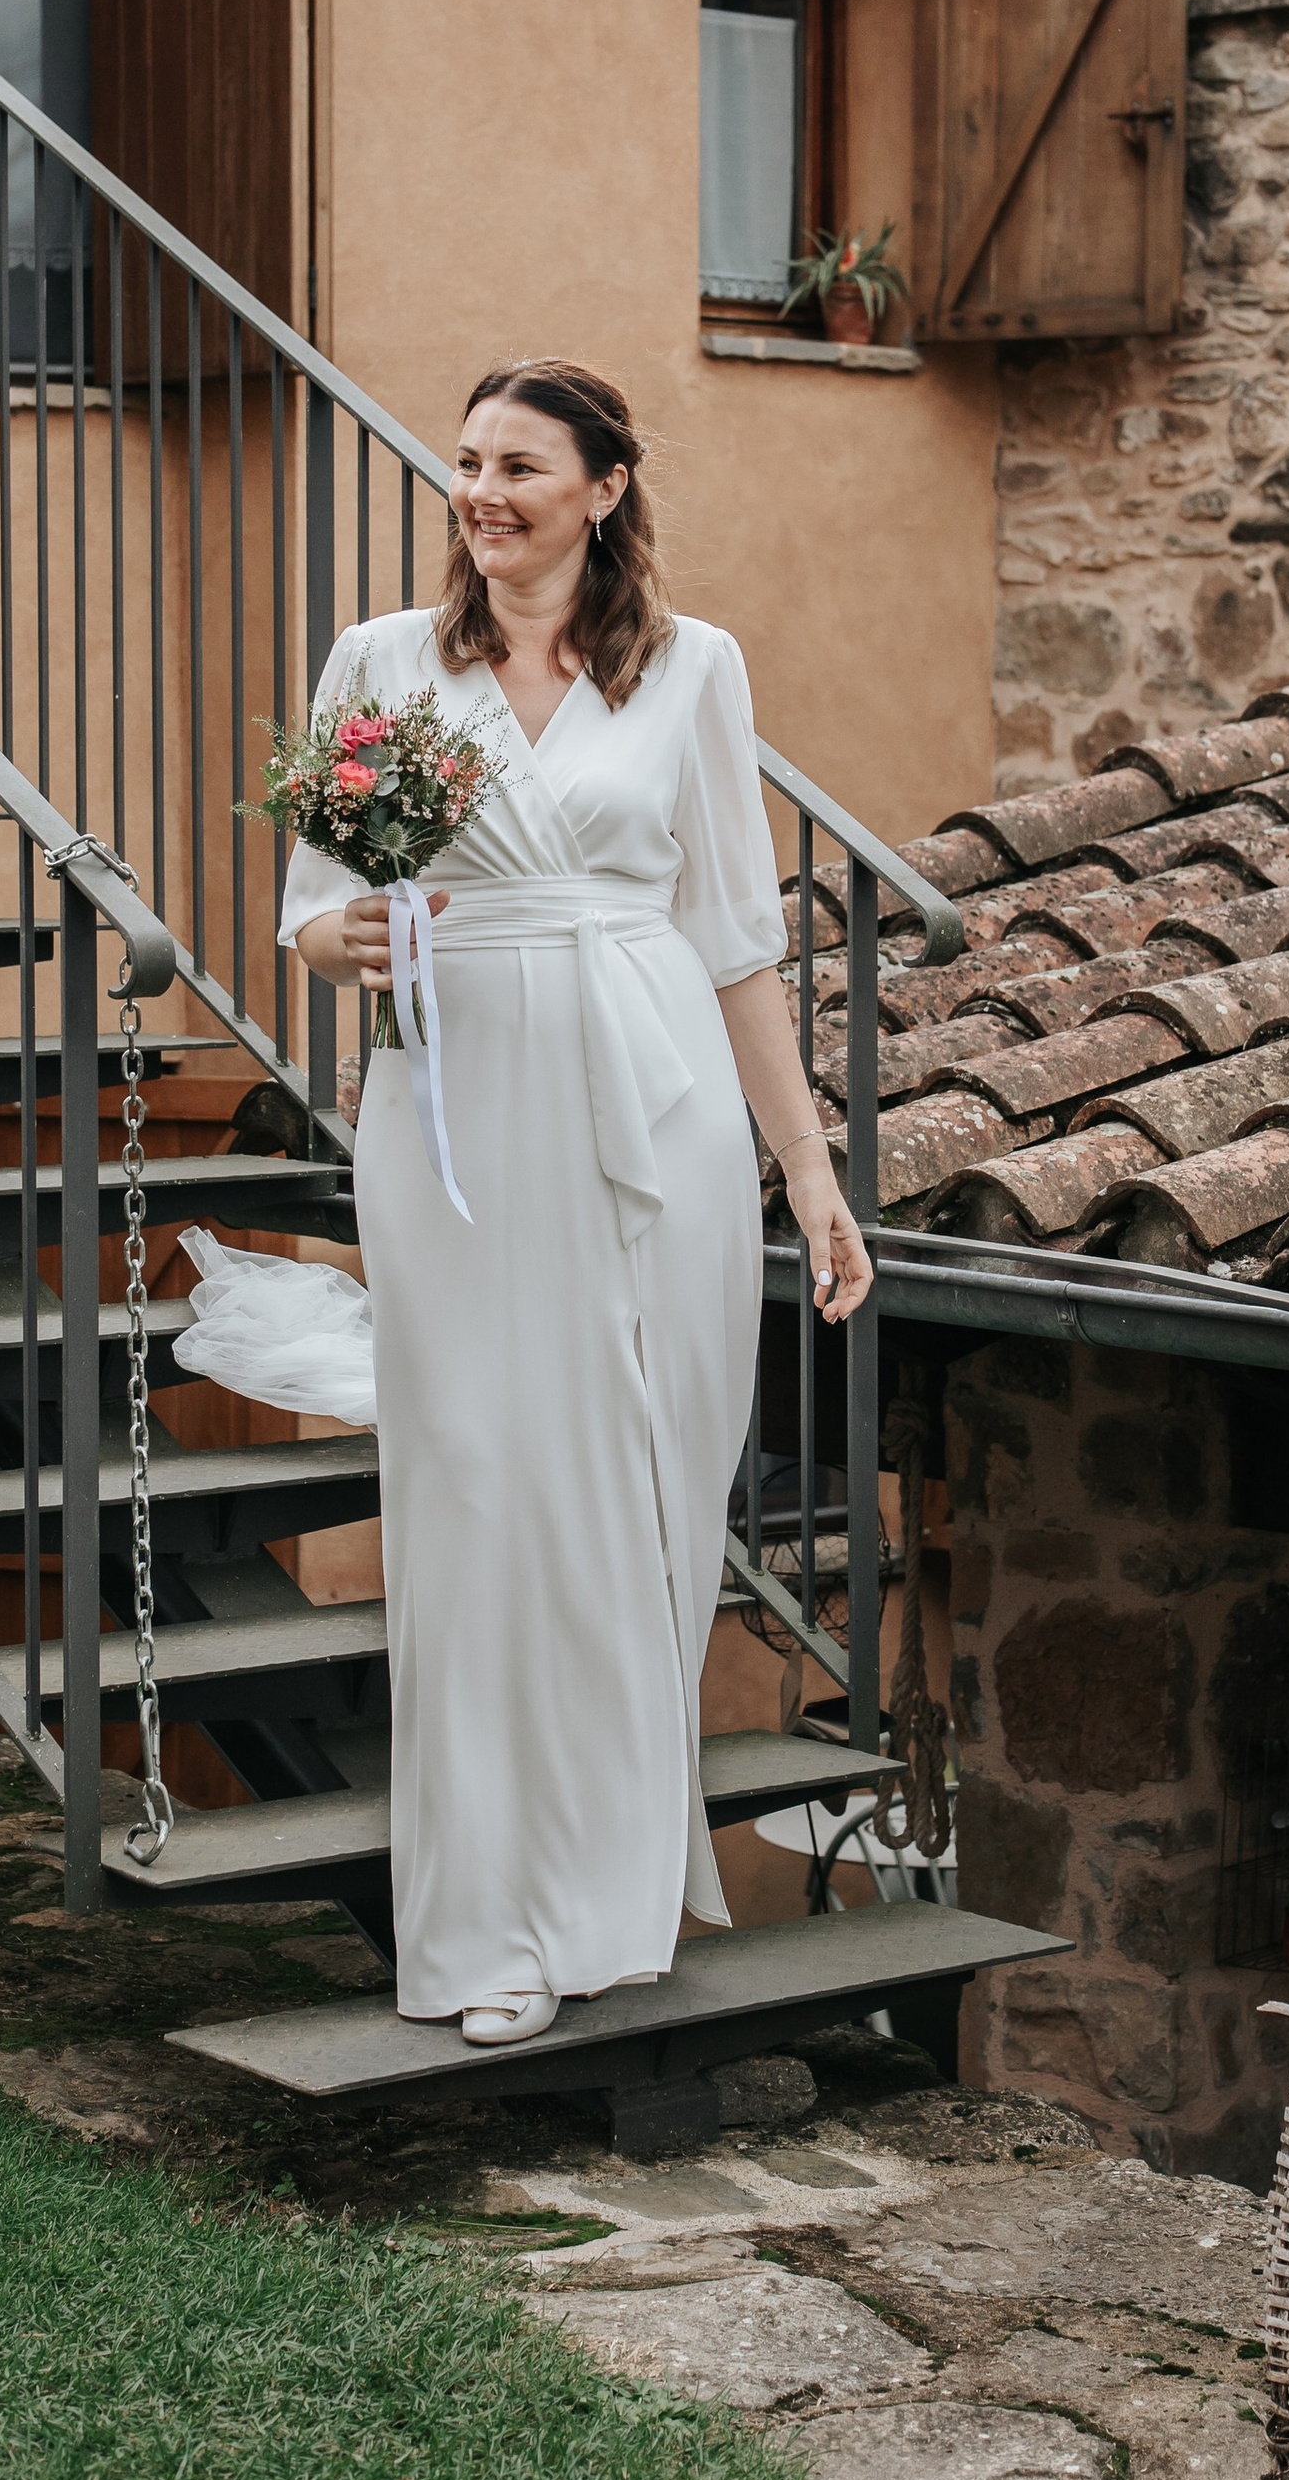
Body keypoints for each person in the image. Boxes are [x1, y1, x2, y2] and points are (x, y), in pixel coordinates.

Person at [279, 358, 871, 2048]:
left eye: (519, 467)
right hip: (456, 1115)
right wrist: (346, 941)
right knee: (475, 1495)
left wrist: (810, 1179)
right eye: (466, 463)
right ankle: (482, 1934)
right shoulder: (382, 664)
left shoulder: (694, 671)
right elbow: (306, 910)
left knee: (642, 1498)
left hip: (656, 1107)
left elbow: (741, 944)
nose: (481, 493)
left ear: (603, 487)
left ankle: (611, 1894)